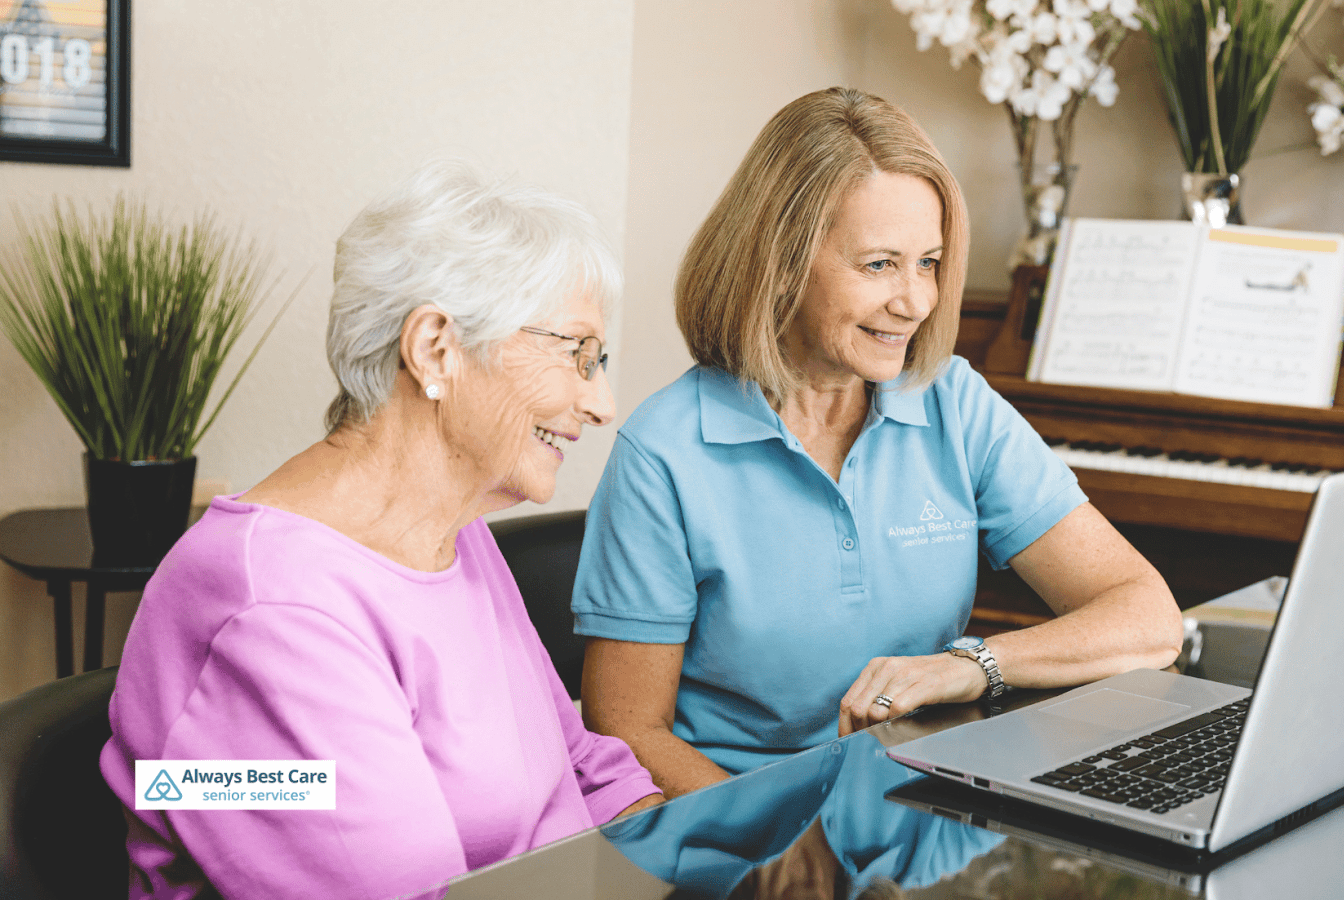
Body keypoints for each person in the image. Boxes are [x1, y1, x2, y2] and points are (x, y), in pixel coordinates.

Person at [572, 87, 1184, 799]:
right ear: (780, 265)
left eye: (928, 262)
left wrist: (970, 663)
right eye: (879, 265)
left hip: (919, 813)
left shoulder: (953, 402)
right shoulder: (663, 454)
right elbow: (627, 736)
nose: (916, 301)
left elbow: (1148, 618)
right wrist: (775, 845)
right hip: (749, 837)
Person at [100, 161, 663, 900]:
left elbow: (584, 766)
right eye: (577, 354)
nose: (602, 401)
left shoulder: (456, 533)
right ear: (435, 348)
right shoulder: (269, 610)